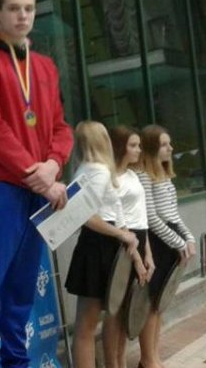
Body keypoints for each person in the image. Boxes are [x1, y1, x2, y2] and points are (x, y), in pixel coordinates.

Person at [0, 0, 74, 368]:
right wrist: (36, 173)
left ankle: (16, 362)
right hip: (0, 190)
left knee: (22, 290)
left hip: (38, 192)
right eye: (13, 8)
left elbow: (61, 127)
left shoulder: (45, 66)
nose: (22, 15)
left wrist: (54, 164)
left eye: (29, 8)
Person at [64, 121, 140, 368]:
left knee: (89, 324)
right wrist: (121, 235)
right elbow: (86, 216)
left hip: (99, 246)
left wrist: (130, 244)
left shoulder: (85, 169)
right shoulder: (98, 171)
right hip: (100, 247)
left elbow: (113, 211)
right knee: (86, 327)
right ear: (102, 140)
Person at [134, 125, 195, 368]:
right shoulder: (144, 175)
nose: (170, 148)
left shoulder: (164, 173)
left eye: (169, 143)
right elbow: (151, 218)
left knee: (161, 303)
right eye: (164, 144)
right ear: (151, 149)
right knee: (151, 303)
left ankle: (154, 357)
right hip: (156, 242)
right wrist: (178, 242)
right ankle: (147, 360)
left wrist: (188, 238)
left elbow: (173, 214)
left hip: (171, 240)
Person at [101, 125, 154, 368]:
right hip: (123, 244)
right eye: (133, 145)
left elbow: (142, 219)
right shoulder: (111, 178)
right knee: (115, 310)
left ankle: (121, 361)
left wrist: (148, 254)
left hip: (139, 239)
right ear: (120, 147)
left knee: (127, 309)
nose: (138, 150)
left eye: (139, 145)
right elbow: (120, 222)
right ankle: (112, 364)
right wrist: (135, 257)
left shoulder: (133, 175)